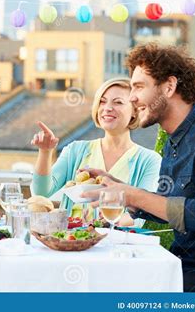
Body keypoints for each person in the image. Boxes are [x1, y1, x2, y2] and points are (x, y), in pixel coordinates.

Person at [83, 43, 195, 292]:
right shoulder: (173, 140)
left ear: (169, 86)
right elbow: (173, 207)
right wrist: (122, 190)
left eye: (139, 86)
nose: (132, 97)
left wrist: (132, 195)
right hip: (180, 265)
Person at [31, 78, 162, 226]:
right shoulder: (76, 150)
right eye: (102, 101)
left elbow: (138, 217)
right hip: (73, 243)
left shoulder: (150, 160)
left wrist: (107, 221)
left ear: (134, 111)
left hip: (118, 246)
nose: (107, 108)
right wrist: (45, 152)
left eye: (118, 102)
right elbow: (41, 193)